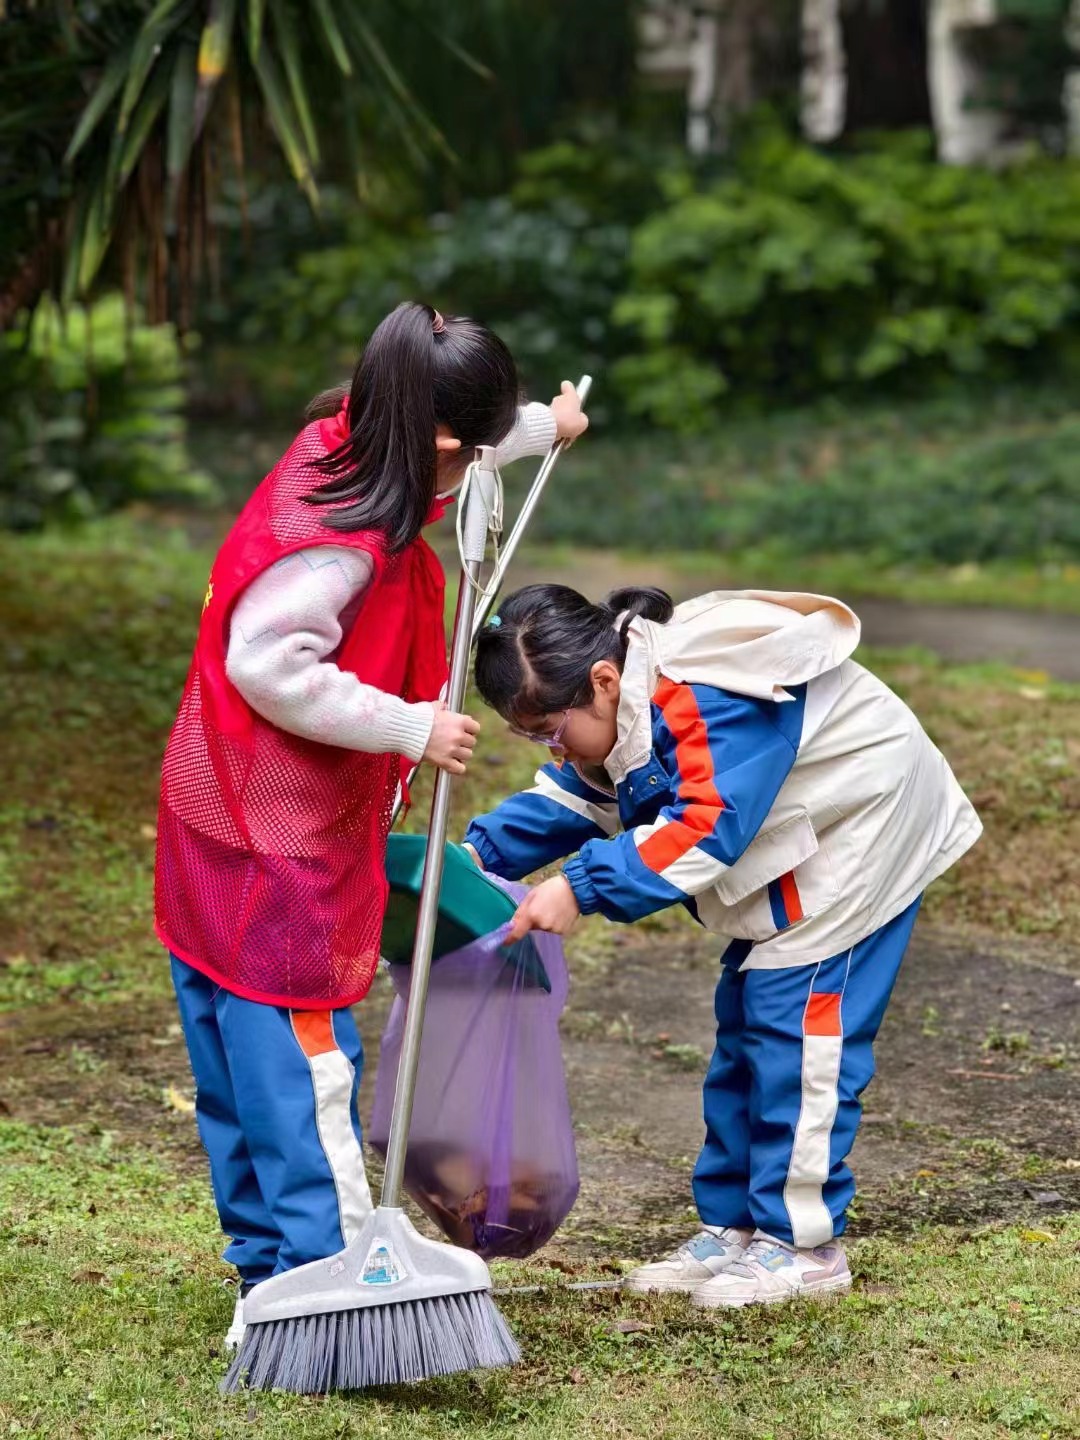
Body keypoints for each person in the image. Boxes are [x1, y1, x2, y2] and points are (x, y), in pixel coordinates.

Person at [153, 302, 588, 1346]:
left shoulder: (351, 434)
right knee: (301, 1065)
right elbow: (268, 665)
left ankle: (264, 1271)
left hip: (215, 815)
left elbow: (463, 452)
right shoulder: (333, 549)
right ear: (439, 443)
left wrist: (544, 431)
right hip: (280, 851)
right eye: (472, 448)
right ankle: (332, 1280)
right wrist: (411, 727)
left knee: (232, 1061)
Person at [463, 582, 980, 1308]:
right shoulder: (622, 701)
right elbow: (579, 795)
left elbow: (707, 825)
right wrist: (473, 857)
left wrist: (579, 888)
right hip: (796, 835)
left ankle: (802, 1247)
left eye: (549, 728)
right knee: (744, 1032)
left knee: (797, 1035)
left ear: (603, 682)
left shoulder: (706, 695)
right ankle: (734, 1228)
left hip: (863, 825)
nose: (549, 747)